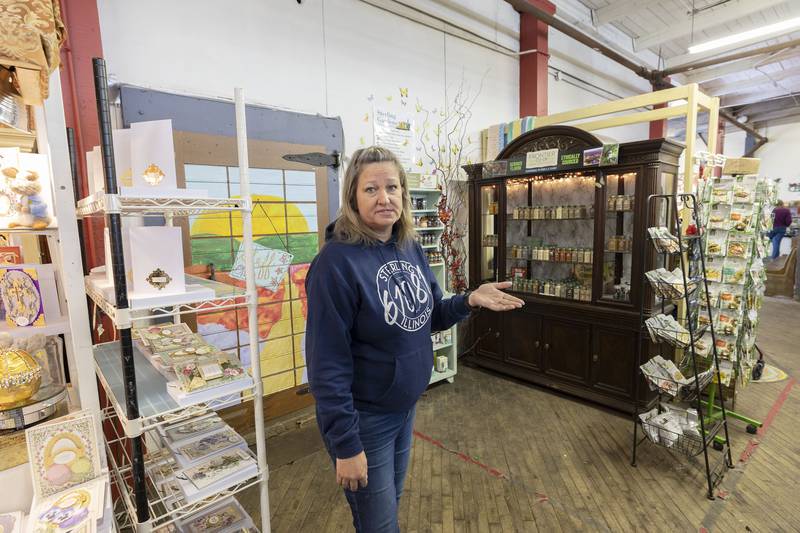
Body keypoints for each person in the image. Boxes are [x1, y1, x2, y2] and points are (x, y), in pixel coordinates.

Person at [305, 146, 523, 533]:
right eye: (371, 189)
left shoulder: (409, 246)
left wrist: (469, 299)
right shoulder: (335, 264)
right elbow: (326, 364)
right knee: (379, 524)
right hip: (364, 419)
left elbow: (428, 316)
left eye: (393, 187)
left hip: (405, 409)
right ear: (353, 197)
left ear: (404, 194)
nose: (385, 197)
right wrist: (346, 444)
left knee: (389, 508)